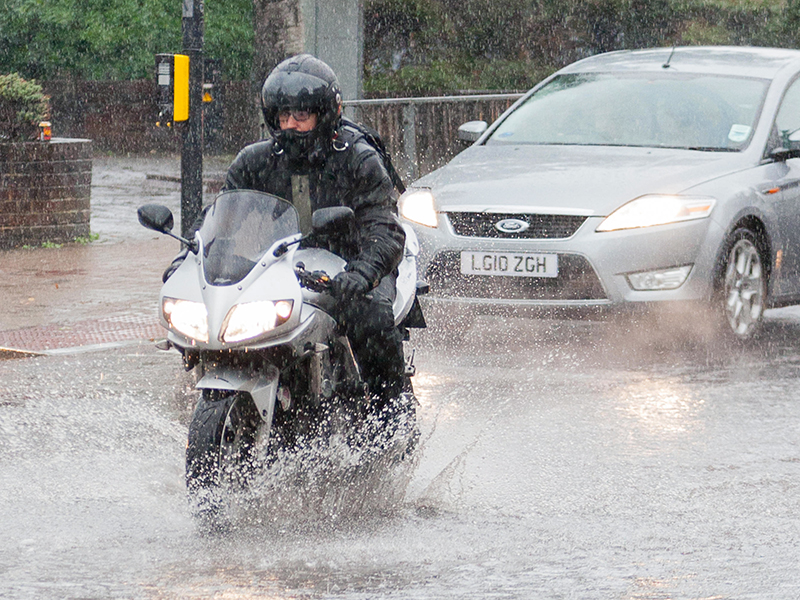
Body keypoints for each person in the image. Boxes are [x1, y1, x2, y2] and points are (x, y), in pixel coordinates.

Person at [165, 54, 408, 408]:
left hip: (352, 264)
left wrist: (363, 273)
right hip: (282, 267)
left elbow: (385, 228)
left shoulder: (357, 158)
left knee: (370, 317)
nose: (290, 124)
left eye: (301, 115)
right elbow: (219, 220)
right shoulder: (255, 161)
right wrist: (190, 259)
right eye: (283, 115)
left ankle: (391, 412)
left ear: (325, 115)